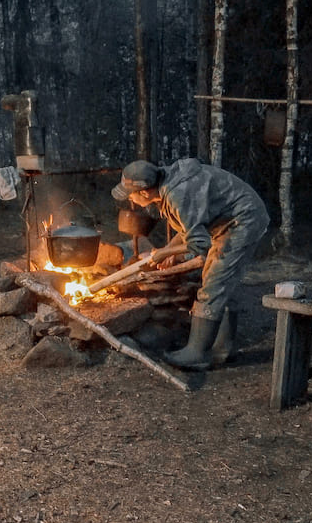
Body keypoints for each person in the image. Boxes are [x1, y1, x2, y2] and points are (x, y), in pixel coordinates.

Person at [111, 158, 269, 370]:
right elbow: (188, 229)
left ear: (145, 192)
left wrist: (166, 252)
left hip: (242, 220)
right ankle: (222, 350)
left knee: (214, 282)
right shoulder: (166, 184)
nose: (129, 199)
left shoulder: (177, 194)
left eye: (130, 194)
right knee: (221, 280)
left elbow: (200, 243)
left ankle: (196, 354)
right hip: (231, 218)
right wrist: (171, 252)